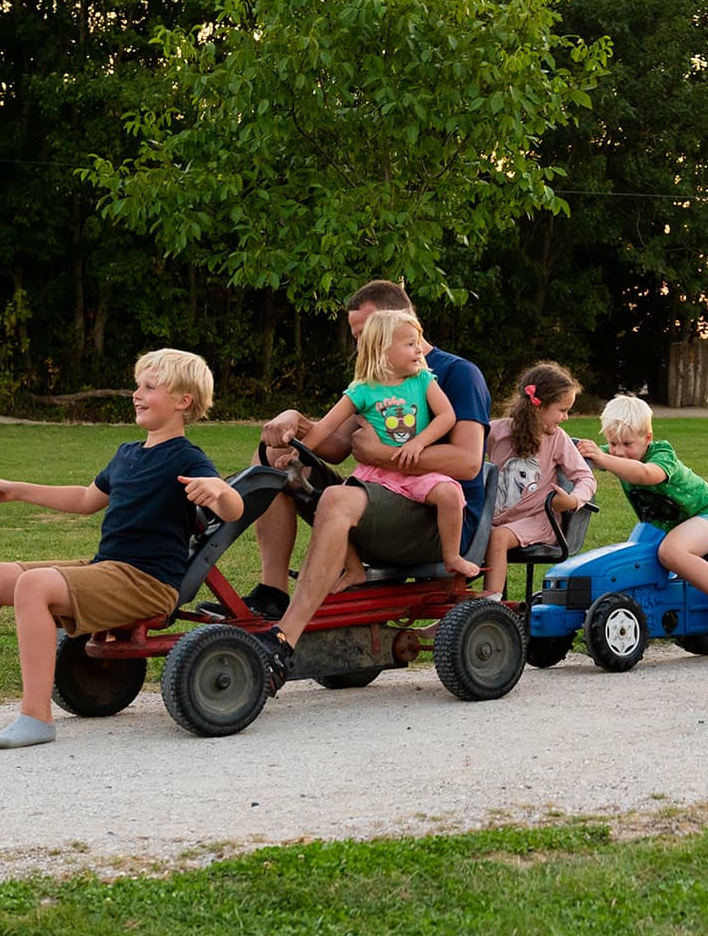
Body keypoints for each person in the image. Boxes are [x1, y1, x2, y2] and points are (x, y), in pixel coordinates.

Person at [0, 349, 243, 749]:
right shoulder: (127, 454)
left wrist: (219, 491)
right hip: (109, 568)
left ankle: (36, 717)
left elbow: (233, 509)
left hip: (147, 582)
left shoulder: (187, 458)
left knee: (34, 585)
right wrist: (17, 491)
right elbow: (84, 499)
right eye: (138, 385)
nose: (137, 394)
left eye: (150, 387)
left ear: (183, 401)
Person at [250, 280, 490, 687]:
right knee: (269, 460)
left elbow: (467, 464)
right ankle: (272, 594)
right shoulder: (375, 377)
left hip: (436, 516)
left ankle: (283, 639)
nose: (358, 343)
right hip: (384, 494)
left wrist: (383, 455)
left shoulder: (455, 374)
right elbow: (338, 445)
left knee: (338, 499)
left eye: (362, 334)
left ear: (391, 324)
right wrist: (296, 424)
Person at [296, 307, 480, 589]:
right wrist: (298, 452)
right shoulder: (362, 389)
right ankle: (354, 569)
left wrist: (419, 442)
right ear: (383, 350)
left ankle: (451, 556)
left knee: (450, 494)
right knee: (330, 506)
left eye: (417, 343)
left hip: (416, 471)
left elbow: (447, 416)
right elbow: (325, 427)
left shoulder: (423, 380)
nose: (419, 350)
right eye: (410, 344)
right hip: (377, 474)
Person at [575, 394, 708, 605]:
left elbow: (646, 474)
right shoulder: (613, 455)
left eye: (627, 443)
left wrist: (603, 458)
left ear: (647, 438)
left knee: (671, 552)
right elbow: (581, 457)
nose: (619, 452)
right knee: (632, 557)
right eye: (613, 443)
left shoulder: (662, 453)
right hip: (664, 527)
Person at [482, 362, 597, 600]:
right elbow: (467, 453)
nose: (565, 417)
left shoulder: (557, 439)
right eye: (562, 410)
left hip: (537, 521)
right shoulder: (496, 431)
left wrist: (572, 501)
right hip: (497, 518)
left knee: (498, 538)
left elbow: (585, 477)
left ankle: (491, 606)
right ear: (539, 406)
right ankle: (454, 601)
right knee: (462, 533)